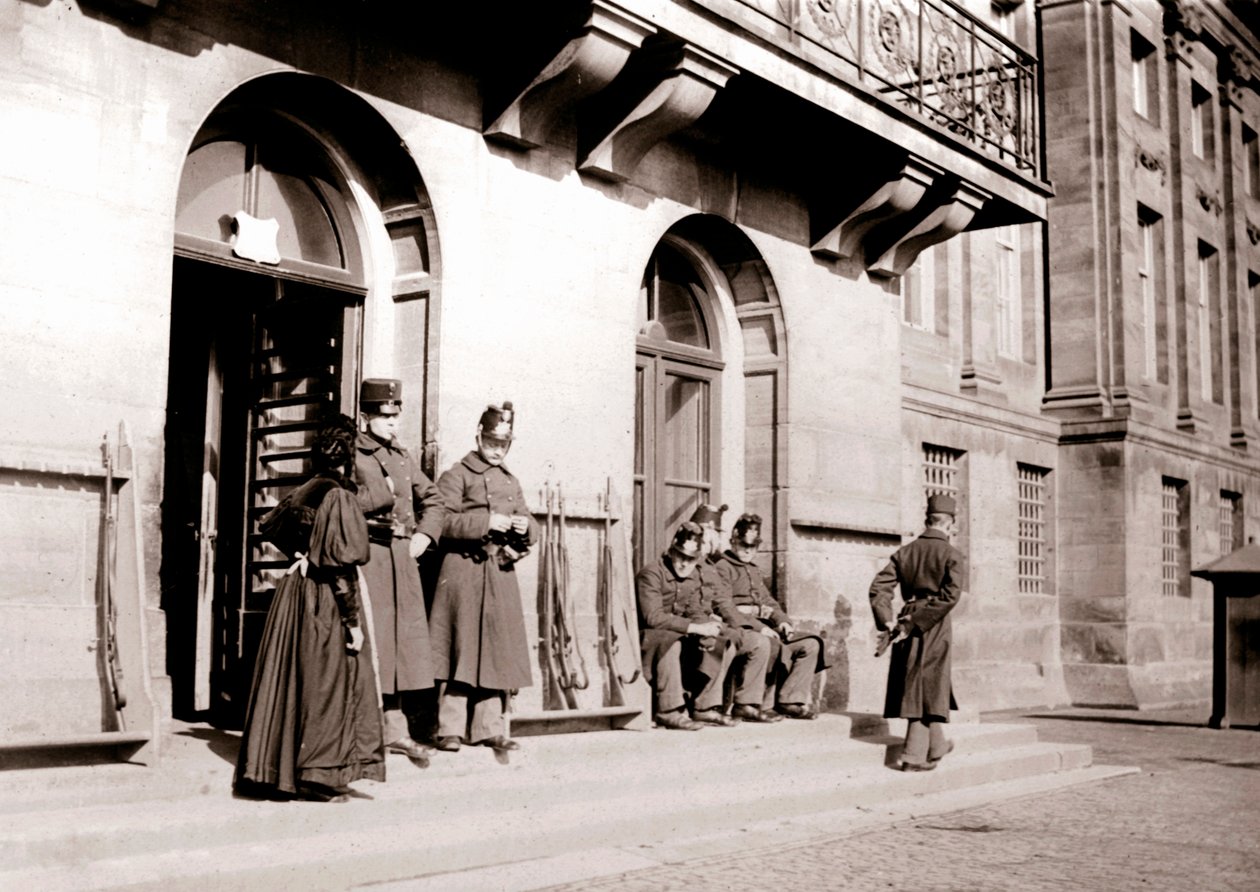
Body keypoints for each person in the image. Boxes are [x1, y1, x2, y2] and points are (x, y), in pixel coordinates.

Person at [235, 414, 385, 803]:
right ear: (347, 458)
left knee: (296, 680)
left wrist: (302, 554)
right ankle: (318, 777)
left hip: (295, 595)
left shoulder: (306, 489)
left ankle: (279, 770)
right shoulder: (338, 495)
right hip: (324, 599)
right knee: (330, 682)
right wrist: (353, 624)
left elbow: (271, 526)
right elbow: (340, 566)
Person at [429, 401, 536, 753]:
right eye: (491, 443)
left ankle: (489, 727)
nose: (496, 450)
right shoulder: (456, 475)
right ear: (478, 435)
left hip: (498, 571)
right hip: (463, 572)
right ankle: (449, 728)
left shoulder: (510, 480)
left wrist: (526, 527)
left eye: (503, 445)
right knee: (458, 648)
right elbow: (438, 521)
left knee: (495, 650)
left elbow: (531, 523)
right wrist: (484, 523)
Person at [354, 378, 447, 767]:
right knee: (373, 642)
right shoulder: (353, 454)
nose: (394, 423)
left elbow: (435, 499)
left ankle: (395, 731)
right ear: (366, 417)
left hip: (402, 561)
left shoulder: (403, 456)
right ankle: (363, 732)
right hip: (370, 558)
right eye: (385, 416)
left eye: (397, 415)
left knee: (400, 647)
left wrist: (425, 534)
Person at [868, 493, 966, 771]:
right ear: (949, 524)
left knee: (922, 681)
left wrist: (888, 620)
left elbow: (878, 588)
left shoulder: (905, 552)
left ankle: (936, 747)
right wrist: (914, 623)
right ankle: (912, 756)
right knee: (925, 684)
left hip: (906, 617)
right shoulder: (952, 554)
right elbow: (949, 597)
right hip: (933, 622)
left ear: (928, 521)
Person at [712, 513, 826, 719]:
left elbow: (769, 601)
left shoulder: (753, 570)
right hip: (741, 628)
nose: (747, 551)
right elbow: (725, 607)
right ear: (733, 541)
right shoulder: (723, 567)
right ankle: (755, 704)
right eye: (743, 545)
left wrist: (782, 621)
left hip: (764, 627)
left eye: (752, 547)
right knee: (767, 642)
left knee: (810, 644)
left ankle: (790, 700)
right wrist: (759, 626)